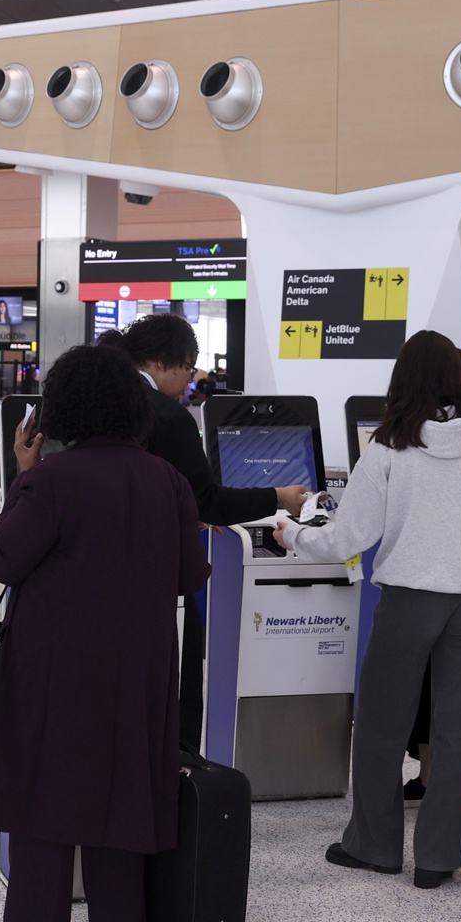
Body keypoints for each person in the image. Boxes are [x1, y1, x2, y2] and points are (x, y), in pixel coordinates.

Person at [0, 345, 207, 922]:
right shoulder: (169, 482)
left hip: (55, 676)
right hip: (140, 677)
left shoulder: (50, 481)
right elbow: (193, 576)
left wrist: (23, 471)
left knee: (44, 817)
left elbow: (4, 559)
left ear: (62, 410)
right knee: (124, 808)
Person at [275, 331, 461, 889]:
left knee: (380, 725)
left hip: (409, 602)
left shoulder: (388, 447)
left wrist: (292, 534)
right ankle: (439, 859)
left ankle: (374, 846)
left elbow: (348, 536)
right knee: (455, 729)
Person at [99, 315, 306, 751]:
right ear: (160, 362)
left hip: (95, 572)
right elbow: (206, 500)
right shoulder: (166, 416)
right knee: (175, 688)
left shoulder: (97, 398)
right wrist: (279, 496)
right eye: (189, 369)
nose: (190, 382)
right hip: (153, 578)